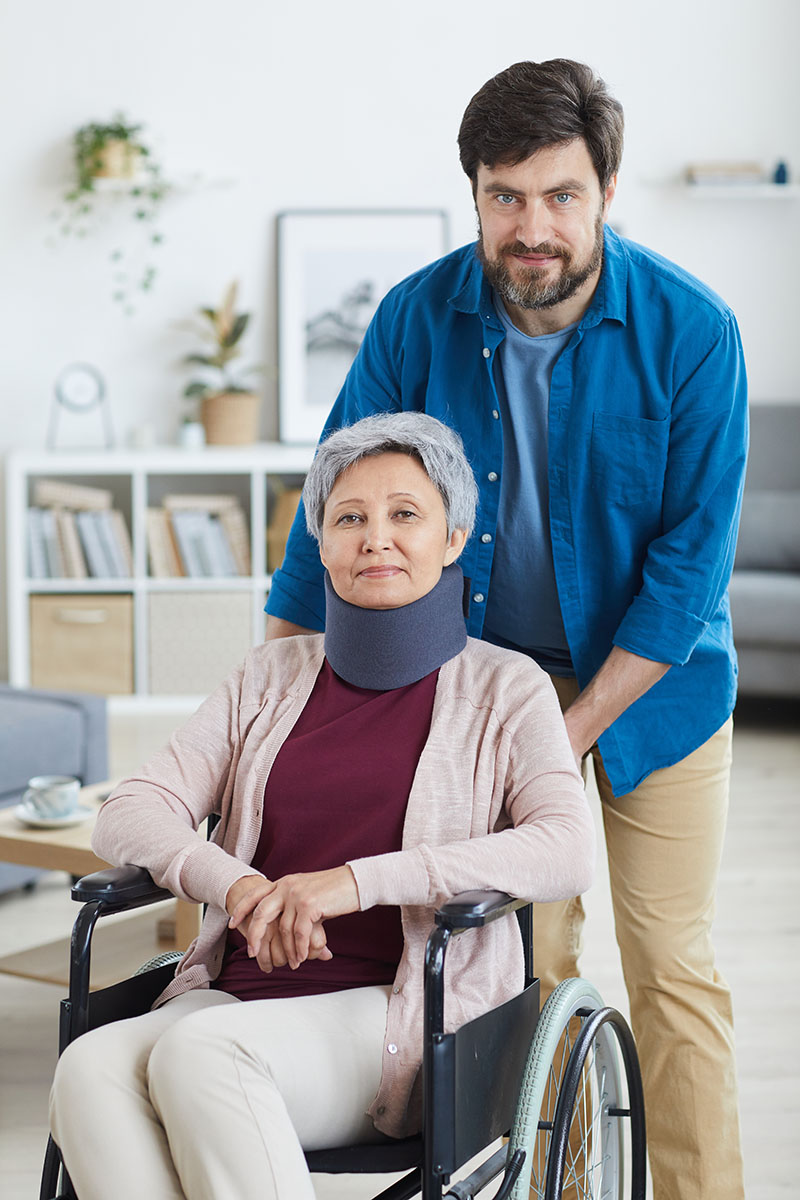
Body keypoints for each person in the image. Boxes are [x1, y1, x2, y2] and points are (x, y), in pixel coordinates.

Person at [264, 60, 749, 1199]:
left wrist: (562, 730)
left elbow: (685, 578)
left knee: (670, 967)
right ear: (474, 194)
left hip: (655, 686)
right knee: (526, 969)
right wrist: (269, 700)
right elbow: (322, 513)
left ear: (606, 190)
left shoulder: (693, 332)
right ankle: (558, 1187)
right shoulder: (414, 316)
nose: (531, 228)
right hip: (479, 685)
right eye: (503, 196)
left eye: (558, 196)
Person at [49, 412, 594, 1200]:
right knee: (89, 1068)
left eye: (405, 514)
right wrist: (232, 884)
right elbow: (130, 808)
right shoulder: (266, 676)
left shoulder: (507, 688)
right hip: (235, 996)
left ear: (452, 538)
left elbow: (565, 847)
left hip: (394, 1014)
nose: (377, 538)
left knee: (200, 1055)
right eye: (350, 518)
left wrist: (355, 881)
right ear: (322, 544)